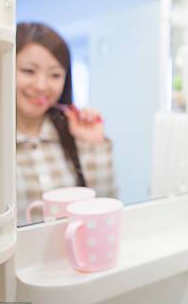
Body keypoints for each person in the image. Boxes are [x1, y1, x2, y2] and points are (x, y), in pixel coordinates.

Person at [16, 22, 116, 224]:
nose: (42, 86)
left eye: (55, 75)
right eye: (28, 71)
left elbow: (104, 210)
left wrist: (95, 144)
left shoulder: (71, 137)